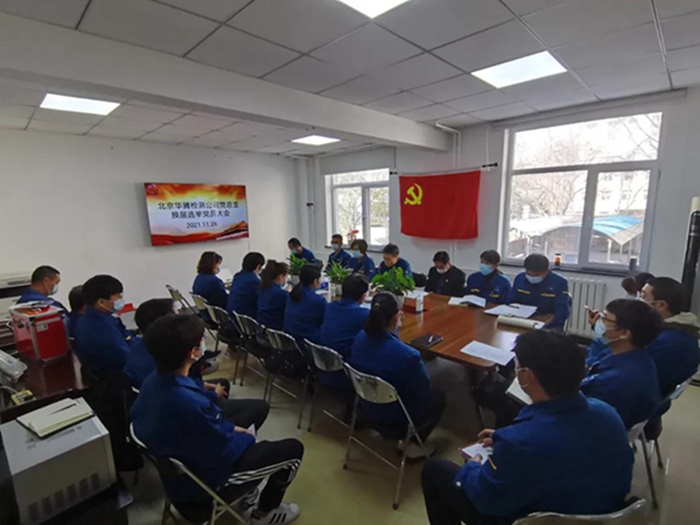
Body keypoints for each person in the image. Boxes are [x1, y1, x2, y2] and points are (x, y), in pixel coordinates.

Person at [422, 330, 633, 525]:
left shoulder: (520, 443)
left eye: (517, 366)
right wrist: (505, 438)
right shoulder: (608, 414)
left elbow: (487, 500)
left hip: (539, 519)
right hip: (601, 514)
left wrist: (472, 466)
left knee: (435, 470)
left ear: (526, 376)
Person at [130, 314, 303, 525]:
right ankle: (266, 512)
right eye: (201, 339)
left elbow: (210, 428)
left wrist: (230, 429)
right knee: (293, 450)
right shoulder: (190, 403)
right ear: (193, 353)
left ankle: (249, 491)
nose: (205, 343)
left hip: (179, 470)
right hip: (204, 486)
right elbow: (224, 453)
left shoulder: (152, 382)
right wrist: (247, 437)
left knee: (255, 411)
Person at [124, 298, 269, 430]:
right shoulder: (165, 364)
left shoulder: (141, 349)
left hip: (174, 408)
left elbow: (184, 382)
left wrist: (202, 386)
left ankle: (221, 413)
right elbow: (189, 397)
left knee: (223, 383)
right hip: (194, 422)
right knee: (259, 407)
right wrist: (214, 397)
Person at [349, 292, 446, 458]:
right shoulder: (408, 355)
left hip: (364, 406)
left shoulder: (359, 338)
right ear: (397, 317)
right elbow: (424, 391)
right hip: (397, 420)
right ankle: (413, 445)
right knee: (438, 397)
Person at [580, 299, 663, 429]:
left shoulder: (617, 380)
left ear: (624, 333)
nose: (599, 321)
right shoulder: (630, 355)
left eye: (604, 318)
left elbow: (581, 411)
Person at [640, 277, 700, 398]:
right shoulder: (682, 330)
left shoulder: (668, 342)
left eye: (643, 296)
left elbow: (639, 379)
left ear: (661, 305)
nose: (639, 301)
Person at [318, 274, 370, 390]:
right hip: (345, 372)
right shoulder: (364, 315)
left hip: (323, 365)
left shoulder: (330, 306)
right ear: (363, 296)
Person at [76, 275, 132, 374]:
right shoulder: (103, 328)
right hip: (117, 375)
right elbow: (127, 358)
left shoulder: (89, 318)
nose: (121, 298)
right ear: (101, 302)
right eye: (117, 295)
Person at [506, 254, 570, 329]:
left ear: (546, 271)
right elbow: (510, 300)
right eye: (529, 274)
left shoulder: (559, 282)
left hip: (548, 325)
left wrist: (546, 323)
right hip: (522, 321)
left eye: (537, 275)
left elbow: (562, 311)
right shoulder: (520, 278)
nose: (532, 277)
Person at [283, 265, 326, 344]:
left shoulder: (292, 295)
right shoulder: (318, 301)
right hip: (306, 342)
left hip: (289, 339)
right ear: (315, 281)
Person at [227, 252, 265, 319]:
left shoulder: (237, 276)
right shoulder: (255, 281)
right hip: (243, 317)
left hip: (231, 315)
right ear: (258, 267)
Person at [257, 260, 290, 331]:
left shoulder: (263, 289)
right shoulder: (282, 294)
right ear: (280, 277)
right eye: (286, 277)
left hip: (262, 329)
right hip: (275, 329)